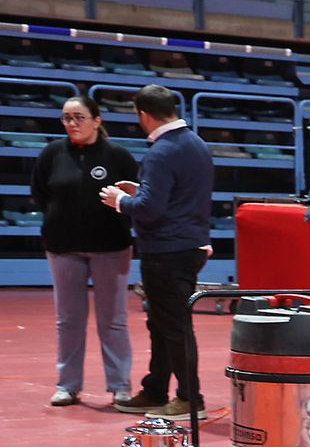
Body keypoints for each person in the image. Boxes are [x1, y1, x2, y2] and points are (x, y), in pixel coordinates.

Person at [101, 84, 214, 419]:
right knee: (164, 325)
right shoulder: (196, 145)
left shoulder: (161, 152)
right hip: (188, 245)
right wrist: (141, 191)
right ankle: (155, 390)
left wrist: (120, 201)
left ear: (144, 115)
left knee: (174, 327)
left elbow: (150, 209)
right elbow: (175, 195)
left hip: (166, 252)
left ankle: (189, 398)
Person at [30, 94, 138, 408]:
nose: (72, 124)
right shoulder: (51, 154)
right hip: (63, 248)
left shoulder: (118, 155)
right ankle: (68, 385)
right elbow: (40, 193)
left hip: (111, 248)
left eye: (79, 117)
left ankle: (120, 386)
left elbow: (133, 196)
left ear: (97, 120)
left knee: (112, 319)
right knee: (68, 319)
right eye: (67, 118)